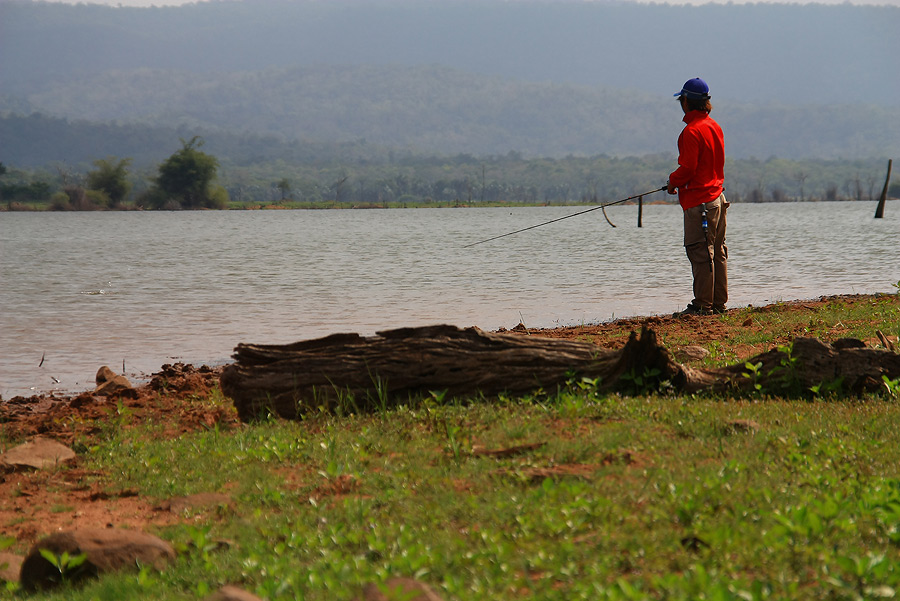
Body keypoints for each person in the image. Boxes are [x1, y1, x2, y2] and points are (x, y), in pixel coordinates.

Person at [667, 77, 728, 316]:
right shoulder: (714, 126)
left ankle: (703, 305)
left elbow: (688, 168)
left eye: (681, 100)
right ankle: (718, 303)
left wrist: (672, 181)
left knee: (700, 253)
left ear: (686, 102)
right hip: (718, 200)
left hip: (700, 203)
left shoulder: (691, 131)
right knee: (718, 251)